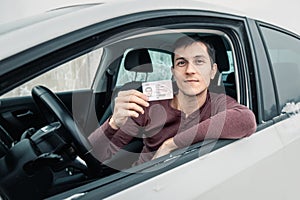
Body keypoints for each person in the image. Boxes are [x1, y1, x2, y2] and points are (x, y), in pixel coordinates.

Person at [88, 35, 257, 166]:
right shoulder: (149, 103)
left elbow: (247, 121)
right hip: (142, 181)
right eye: (182, 63)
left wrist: (171, 145)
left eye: (199, 62)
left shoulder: (219, 102)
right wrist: (113, 124)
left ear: (213, 71)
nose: (190, 70)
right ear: (174, 72)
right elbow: (95, 155)